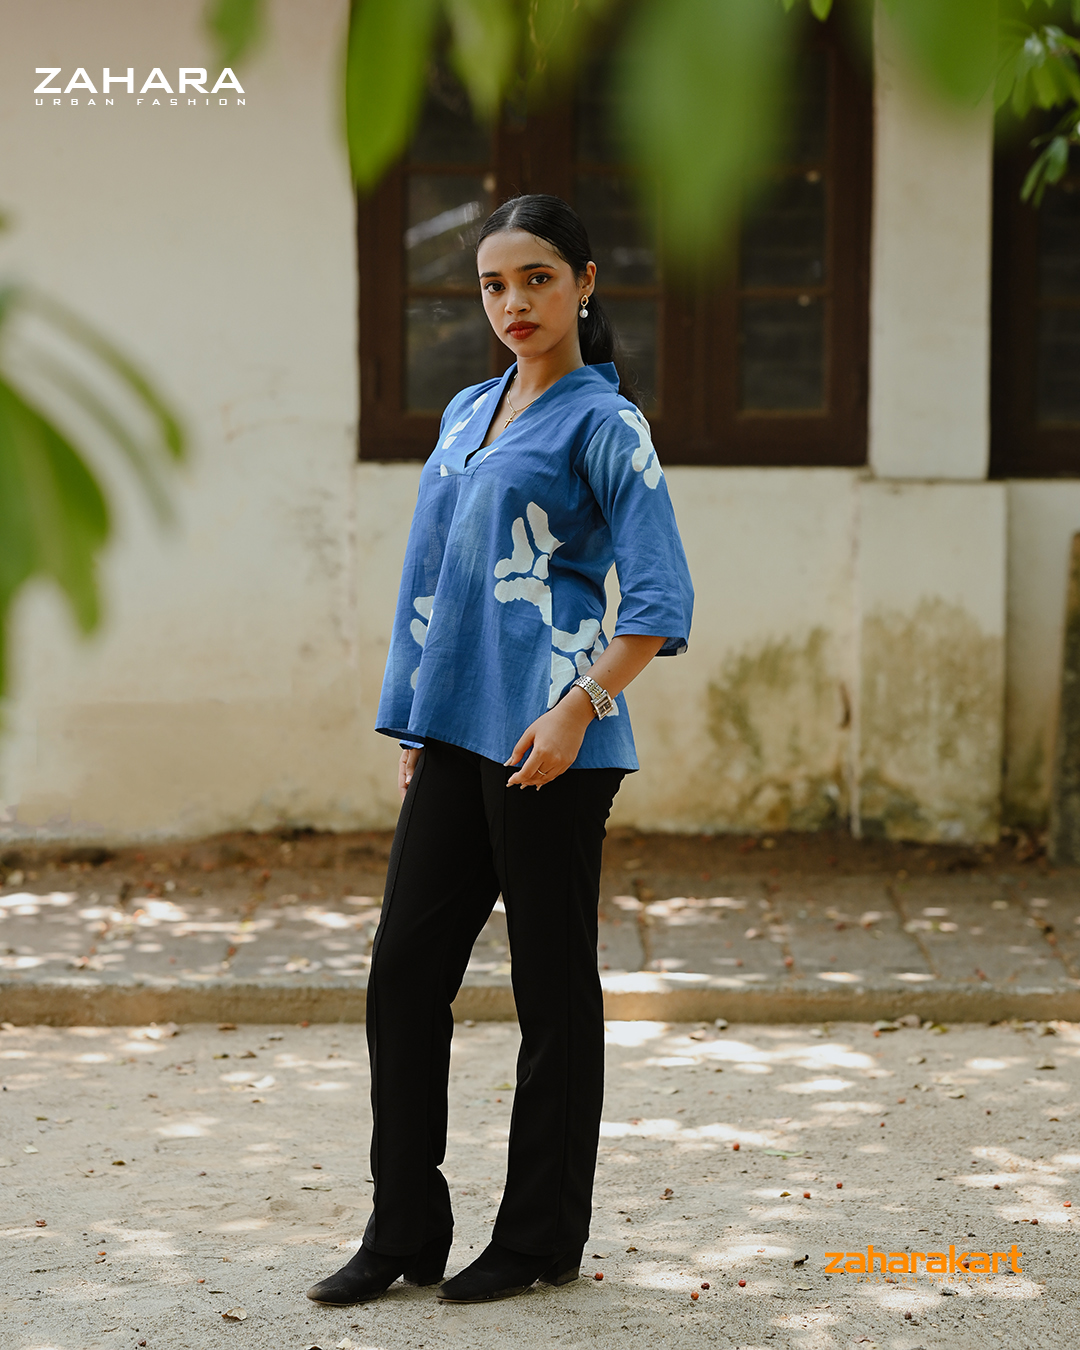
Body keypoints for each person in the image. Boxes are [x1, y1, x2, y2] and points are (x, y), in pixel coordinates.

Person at [306, 193, 693, 1308]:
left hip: (553, 740)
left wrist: (579, 708)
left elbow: (660, 597)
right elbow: (427, 586)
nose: (513, 302)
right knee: (403, 976)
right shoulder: (466, 413)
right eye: (492, 284)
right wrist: (414, 724)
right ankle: (405, 1225)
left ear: (583, 282)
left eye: (535, 278)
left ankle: (536, 1240)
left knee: (552, 989)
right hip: (456, 729)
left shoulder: (604, 424)